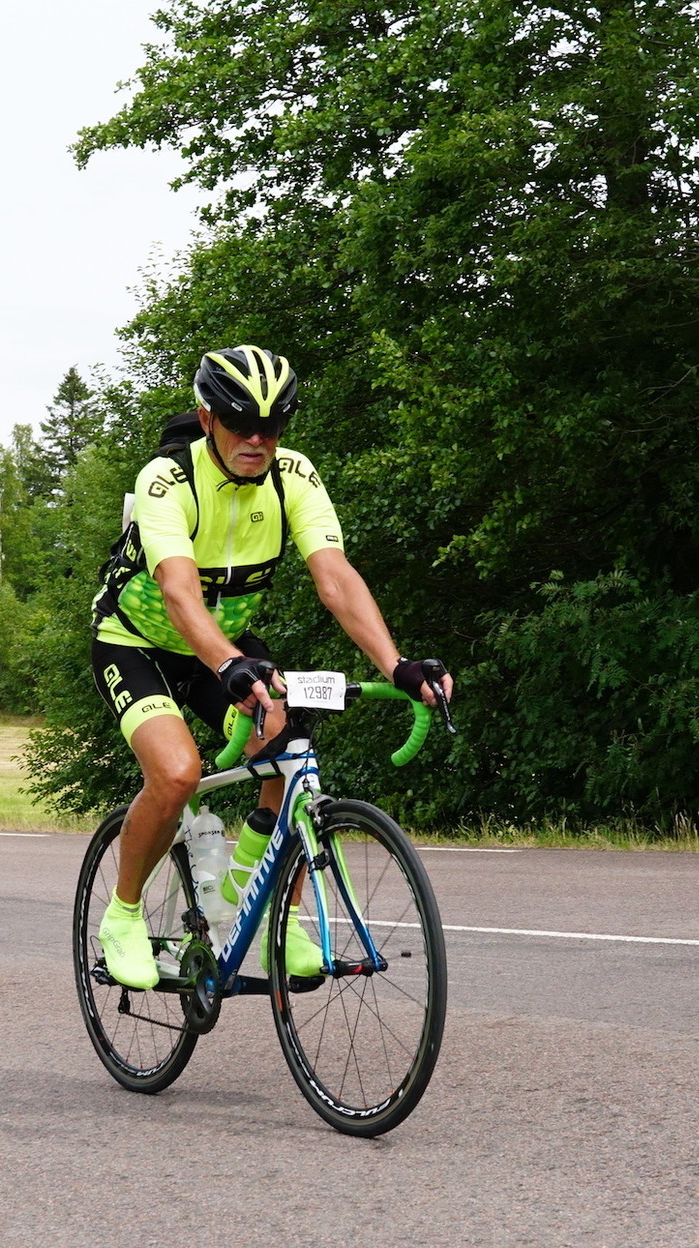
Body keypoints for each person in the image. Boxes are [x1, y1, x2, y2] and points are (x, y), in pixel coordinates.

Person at [91, 344, 453, 989]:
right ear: (208, 419)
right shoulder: (168, 479)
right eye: (240, 423)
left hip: (225, 645)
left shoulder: (294, 476)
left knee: (289, 749)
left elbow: (335, 577)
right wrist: (231, 664)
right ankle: (122, 915)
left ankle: (270, 915)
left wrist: (396, 663)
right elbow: (178, 593)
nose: (257, 440)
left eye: (273, 425)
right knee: (177, 774)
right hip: (137, 643)